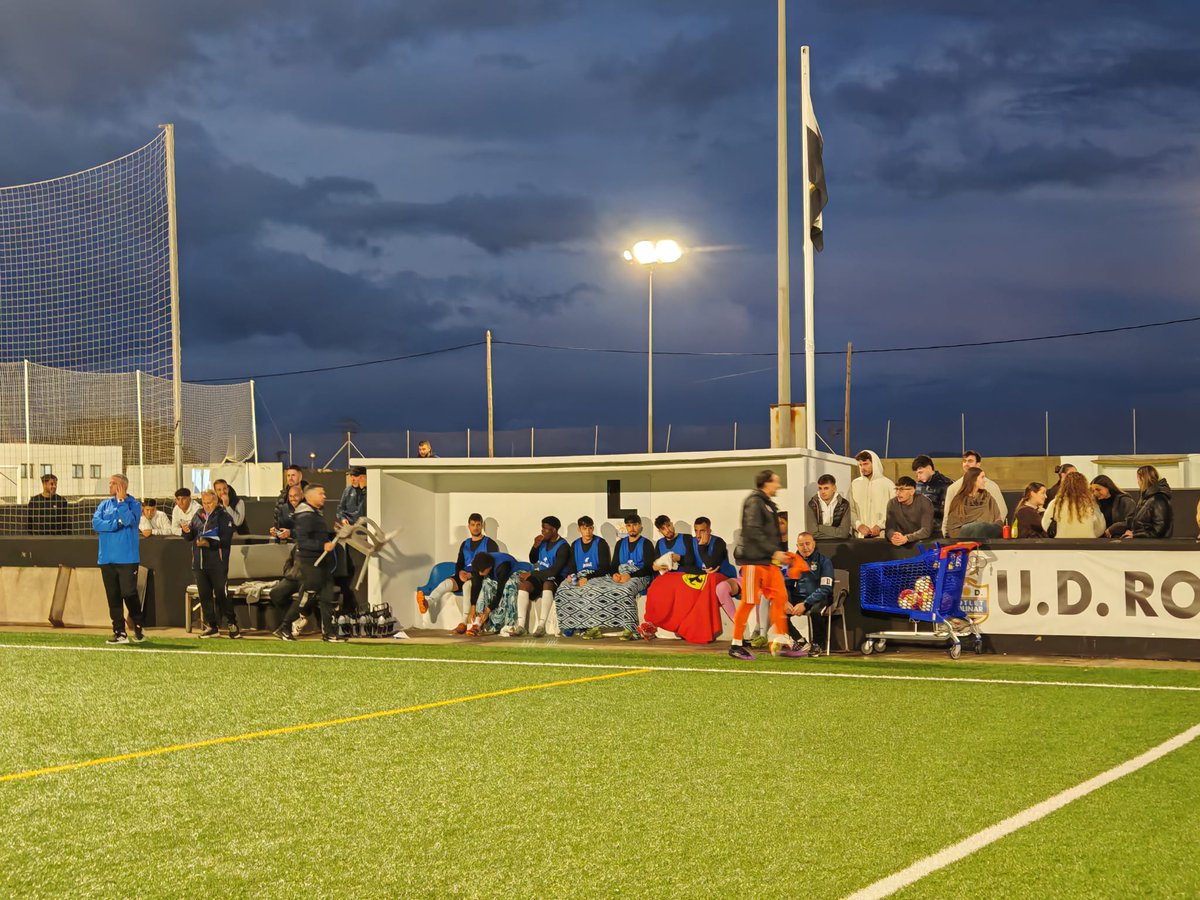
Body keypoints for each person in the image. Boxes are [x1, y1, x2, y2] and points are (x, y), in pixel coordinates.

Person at [729, 469, 805, 660]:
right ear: (767, 483)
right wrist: (774, 552)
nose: (778, 485)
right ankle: (736, 644)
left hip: (769, 562)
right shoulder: (755, 502)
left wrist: (778, 555)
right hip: (754, 561)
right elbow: (753, 532)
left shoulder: (767, 503)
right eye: (776, 482)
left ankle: (779, 642)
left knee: (780, 597)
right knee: (748, 601)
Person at [275, 485, 344, 642]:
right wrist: (322, 546)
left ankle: (329, 633)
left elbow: (316, 535)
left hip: (320, 562)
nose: (324, 496)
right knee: (305, 598)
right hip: (310, 563)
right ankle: (284, 627)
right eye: (321, 493)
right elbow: (303, 541)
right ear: (310, 496)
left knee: (327, 597)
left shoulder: (315, 513)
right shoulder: (306, 515)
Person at [417, 512, 499, 633]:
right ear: (469, 526)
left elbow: (491, 565)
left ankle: (463, 622)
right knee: (445, 584)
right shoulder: (465, 543)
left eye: (478, 524)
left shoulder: (490, 543)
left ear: (482, 526)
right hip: (464, 575)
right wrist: (460, 572)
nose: (475, 527)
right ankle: (427, 603)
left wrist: (472, 574)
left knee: (467, 586)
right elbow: (459, 562)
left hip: (479, 578)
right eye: (473, 524)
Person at [92, 474, 144, 644]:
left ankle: (138, 625)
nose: (110, 485)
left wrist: (122, 504)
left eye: (113, 483)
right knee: (113, 597)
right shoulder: (104, 504)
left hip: (127, 559)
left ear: (123, 487)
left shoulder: (134, 505)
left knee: (129, 593)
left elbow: (129, 521)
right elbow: (96, 524)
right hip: (106, 559)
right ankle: (119, 632)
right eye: (110, 483)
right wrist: (115, 524)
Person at [181, 489, 239, 638]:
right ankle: (211, 626)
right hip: (199, 563)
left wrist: (209, 544)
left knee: (221, 594)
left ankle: (232, 623)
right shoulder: (198, 515)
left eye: (209, 503)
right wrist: (186, 531)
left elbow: (226, 540)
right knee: (204, 595)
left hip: (217, 563)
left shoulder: (224, 516)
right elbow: (190, 537)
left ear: (216, 501)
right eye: (204, 502)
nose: (206, 506)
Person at [499, 516, 570, 637]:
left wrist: (531, 573)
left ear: (554, 530)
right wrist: (535, 546)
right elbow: (533, 559)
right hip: (541, 575)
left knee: (548, 583)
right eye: (542, 528)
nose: (542, 531)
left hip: (556, 577)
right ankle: (521, 626)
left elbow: (554, 571)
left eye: (545, 529)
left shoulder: (563, 546)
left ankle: (541, 626)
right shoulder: (543, 542)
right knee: (524, 584)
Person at [553, 516, 613, 637]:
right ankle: (569, 624)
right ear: (579, 529)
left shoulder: (600, 543)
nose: (588, 531)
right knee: (563, 590)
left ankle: (587, 625)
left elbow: (605, 567)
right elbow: (572, 566)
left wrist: (588, 578)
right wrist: (572, 577)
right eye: (585, 528)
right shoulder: (575, 544)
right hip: (580, 575)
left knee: (588, 590)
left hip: (596, 576)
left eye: (590, 528)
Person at [784, 531, 835, 655]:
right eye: (801, 544)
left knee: (816, 611)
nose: (805, 547)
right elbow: (786, 585)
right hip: (798, 597)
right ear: (797, 546)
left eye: (807, 543)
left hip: (819, 598)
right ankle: (801, 642)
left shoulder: (824, 561)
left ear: (813, 544)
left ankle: (817, 644)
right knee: (777, 611)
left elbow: (825, 588)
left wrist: (806, 604)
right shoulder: (792, 562)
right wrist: (785, 601)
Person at [942, 451, 1008, 536]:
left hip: (987, 536)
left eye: (970, 461)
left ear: (978, 464)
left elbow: (1001, 512)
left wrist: (991, 531)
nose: (966, 464)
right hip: (963, 538)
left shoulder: (992, 487)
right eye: (964, 461)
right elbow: (948, 516)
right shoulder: (953, 488)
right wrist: (945, 534)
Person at [694, 516, 740, 620]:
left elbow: (711, 566)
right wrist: (702, 573)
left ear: (709, 531)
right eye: (696, 531)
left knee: (712, 578)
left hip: (725, 577)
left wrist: (702, 547)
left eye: (702, 531)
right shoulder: (692, 542)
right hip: (705, 579)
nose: (698, 535)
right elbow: (689, 565)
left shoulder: (719, 542)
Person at [1112, 465, 1173, 539]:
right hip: (1147, 544)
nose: (1138, 482)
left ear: (1143, 479)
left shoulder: (1158, 499)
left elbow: (1159, 530)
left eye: (1138, 479)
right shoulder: (1147, 498)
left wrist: (1135, 535)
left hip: (1154, 546)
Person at [464, 550, 516, 636]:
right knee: (485, 583)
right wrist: (473, 607)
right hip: (496, 576)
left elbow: (500, 591)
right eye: (479, 571)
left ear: (489, 567)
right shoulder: (478, 564)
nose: (480, 574)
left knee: (509, 586)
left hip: (513, 573)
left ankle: (510, 625)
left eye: (483, 571)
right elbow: (476, 585)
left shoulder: (503, 566)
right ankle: (477, 622)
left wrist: (488, 610)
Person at [1042, 472, 1104, 538]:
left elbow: (1046, 524)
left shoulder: (1056, 503)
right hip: (1087, 542)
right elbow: (1100, 527)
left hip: (1062, 542)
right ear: (1084, 486)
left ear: (1064, 486)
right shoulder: (1090, 503)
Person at [850, 450, 893, 539]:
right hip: (860, 537)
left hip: (883, 536)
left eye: (866, 464)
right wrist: (858, 525)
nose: (862, 468)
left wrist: (880, 525)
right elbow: (850, 509)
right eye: (860, 465)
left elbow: (894, 511)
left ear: (875, 464)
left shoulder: (888, 485)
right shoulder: (855, 484)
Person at [885, 477, 934, 546]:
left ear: (912, 491)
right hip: (900, 541)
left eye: (901, 489)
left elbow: (926, 530)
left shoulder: (924, 502)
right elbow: (889, 528)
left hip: (922, 542)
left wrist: (907, 538)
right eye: (896, 489)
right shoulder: (892, 503)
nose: (897, 493)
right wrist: (893, 537)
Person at [912, 456, 953, 536]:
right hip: (919, 530)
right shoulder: (918, 484)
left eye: (920, 472)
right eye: (917, 474)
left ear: (929, 468)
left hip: (938, 531)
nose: (919, 477)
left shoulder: (945, 484)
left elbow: (948, 511)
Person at [806, 474, 852, 541]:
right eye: (820, 488)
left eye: (826, 488)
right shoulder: (812, 504)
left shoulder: (844, 504)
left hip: (840, 544)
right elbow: (812, 533)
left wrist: (819, 527)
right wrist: (837, 533)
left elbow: (843, 533)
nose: (822, 492)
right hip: (819, 544)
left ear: (834, 488)